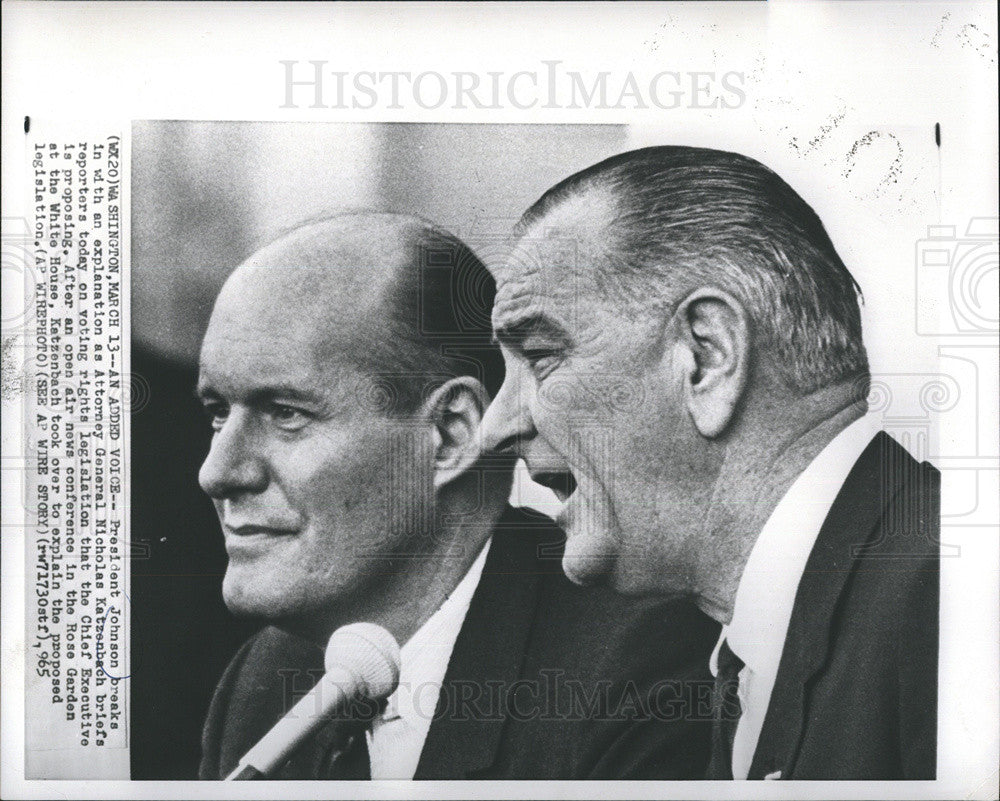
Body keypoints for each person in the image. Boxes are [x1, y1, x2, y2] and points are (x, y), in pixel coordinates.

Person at [195, 211, 719, 780]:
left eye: (287, 414)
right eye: (219, 414)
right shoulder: (268, 680)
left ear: (449, 434)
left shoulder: (641, 676)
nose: (216, 472)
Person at [481, 147, 939, 780]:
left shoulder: (951, 610)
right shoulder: (759, 648)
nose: (494, 428)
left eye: (540, 353)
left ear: (707, 356)